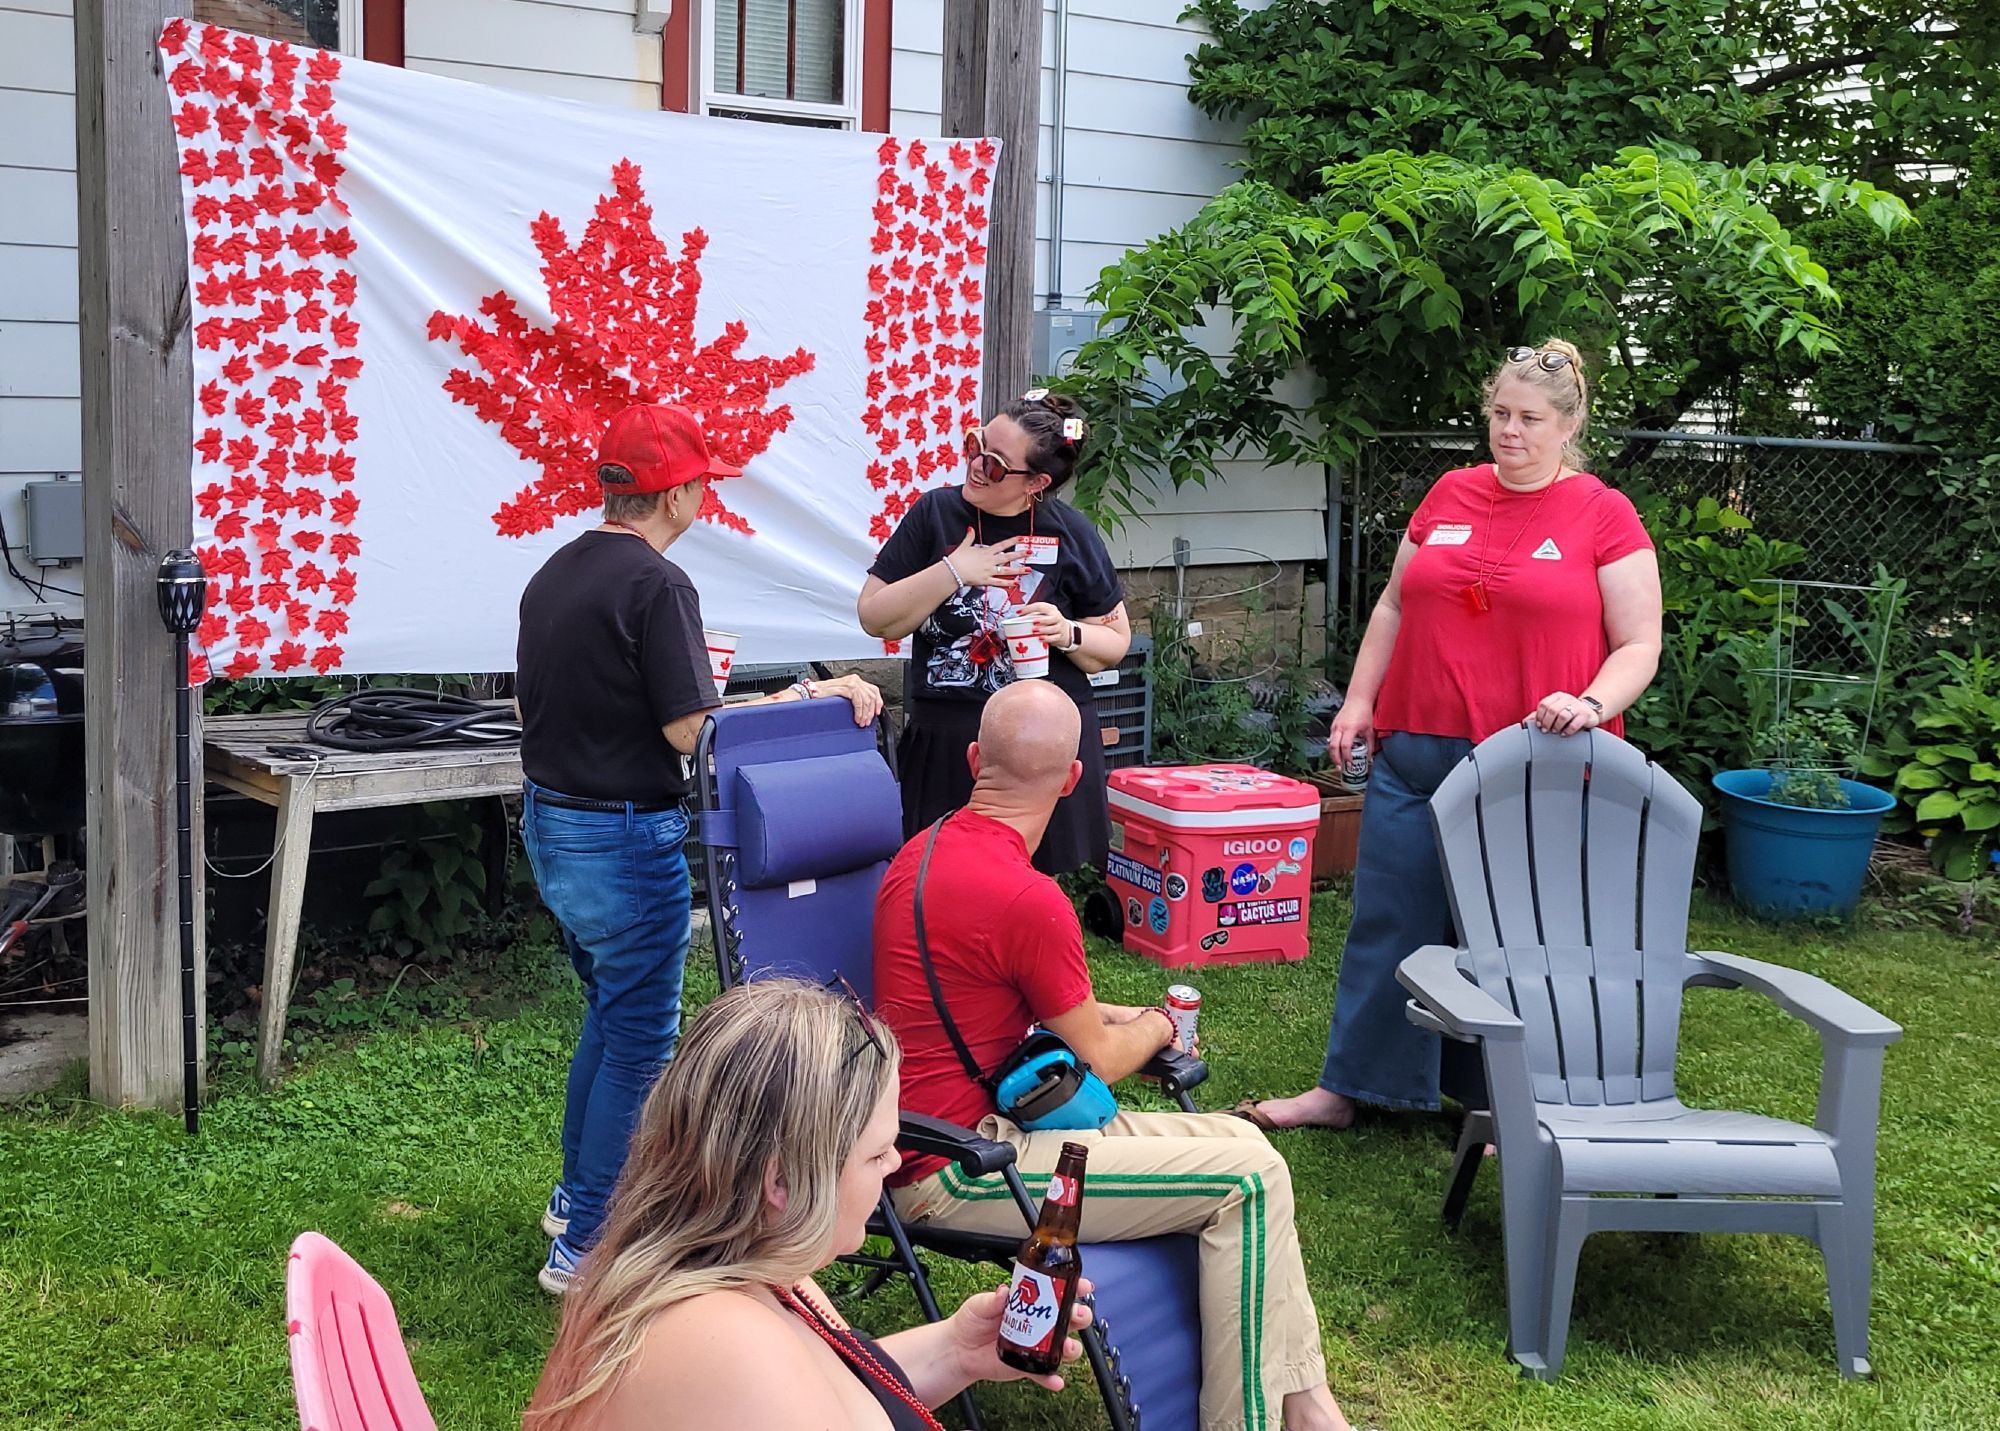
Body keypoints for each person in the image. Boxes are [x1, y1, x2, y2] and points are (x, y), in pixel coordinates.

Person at [872, 680, 1353, 1431]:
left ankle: (1309, 1408)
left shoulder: (918, 855)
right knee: (1251, 1180)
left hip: (933, 1139)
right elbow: (1096, 1057)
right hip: (965, 1168)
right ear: (1072, 780)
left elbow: (1010, 996)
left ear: (974, 760)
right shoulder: (1029, 899)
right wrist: (1160, 1025)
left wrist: (1120, 1015)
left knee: (1250, 1146)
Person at [1238, 339, 1663, 1133]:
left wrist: (1593, 702)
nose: (1509, 430)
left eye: (1530, 418)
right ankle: (1352, 1086)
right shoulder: (1450, 492)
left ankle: (1514, 1107)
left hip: (1530, 759)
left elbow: (1641, 641)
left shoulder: (1603, 513)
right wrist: (1360, 699)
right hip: (1416, 749)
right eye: (1500, 413)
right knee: (1388, 920)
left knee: (1519, 939)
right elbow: (1396, 604)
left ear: (1568, 426)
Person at [516, 402, 882, 1295]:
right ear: (676, 490)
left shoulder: (554, 571)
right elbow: (692, 731)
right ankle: (586, 1246)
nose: (703, 499)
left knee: (612, 1013)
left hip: (551, 823)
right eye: (702, 484)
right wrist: (809, 694)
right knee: (642, 1036)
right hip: (619, 833)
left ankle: (576, 1204)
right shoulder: (658, 585)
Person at [522, 978, 1093, 1431]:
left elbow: (839, 1393)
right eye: (876, 1154)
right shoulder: (724, 1345)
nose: (896, 1164)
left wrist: (955, 1350)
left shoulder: (749, 1269)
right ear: (783, 1183)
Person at [857, 390, 1130, 875]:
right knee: (940, 878)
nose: (977, 466)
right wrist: (955, 571)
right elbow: (874, 615)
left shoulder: (1071, 531)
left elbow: (1115, 643)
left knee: (1028, 885)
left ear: (1037, 482)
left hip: (1039, 747)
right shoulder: (935, 513)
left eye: (997, 464)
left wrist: (1066, 632)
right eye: (974, 446)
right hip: (949, 738)